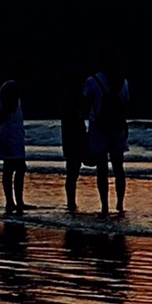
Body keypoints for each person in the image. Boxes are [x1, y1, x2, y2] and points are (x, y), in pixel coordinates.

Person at [83, 59, 130, 219]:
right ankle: (120, 204)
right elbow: (125, 106)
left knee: (102, 169)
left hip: (99, 128)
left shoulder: (92, 80)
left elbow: (85, 104)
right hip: (118, 128)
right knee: (119, 169)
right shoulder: (122, 81)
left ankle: (104, 205)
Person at [0, 79, 26, 216]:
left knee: (10, 168)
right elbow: (7, 111)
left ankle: (12, 201)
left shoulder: (4, 87)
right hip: (11, 134)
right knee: (18, 168)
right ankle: (16, 201)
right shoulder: (12, 86)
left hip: (9, 133)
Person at [60, 81, 88, 214]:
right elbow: (76, 125)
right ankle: (71, 202)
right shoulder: (73, 103)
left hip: (71, 141)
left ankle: (71, 201)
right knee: (72, 173)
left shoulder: (69, 101)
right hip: (74, 141)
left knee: (72, 173)